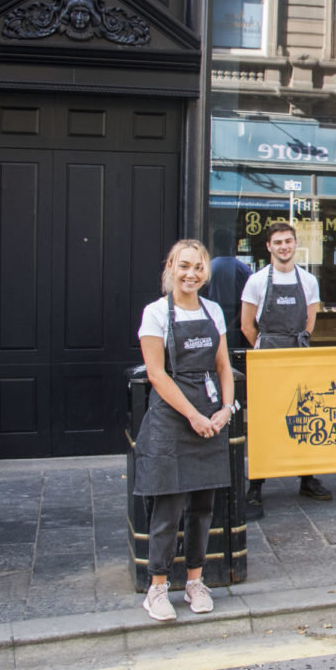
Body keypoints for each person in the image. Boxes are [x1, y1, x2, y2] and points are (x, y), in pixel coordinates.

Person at [133, 239, 235, 622]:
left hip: (210, 416)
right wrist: (193, 415)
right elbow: (157, 374)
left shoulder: (213, 310)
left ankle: (195, 581)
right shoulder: (155, 313)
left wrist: (225, 408)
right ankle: (157, 587)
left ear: (206, 272)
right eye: (184, 266)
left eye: (198, 267)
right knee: (168, 507)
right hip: (173, 418)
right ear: (171, 267)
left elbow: (224, 366)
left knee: (203, 507)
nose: (191, 274)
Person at [241, 221, 330, 514]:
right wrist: (267, 348)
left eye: (288, 241)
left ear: (295, 244)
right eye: (277, 242)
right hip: (267, 359)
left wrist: (294, 347)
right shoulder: (255, 281)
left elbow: (310, 323)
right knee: (264, 422)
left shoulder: (308, 281)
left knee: (304, 417)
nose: (283, 247)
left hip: (298, 356)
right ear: (269, 247)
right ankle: (256, 483)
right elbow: (246, 325)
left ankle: (307, 478)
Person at [202, 227, 252, 351]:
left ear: (214, 246)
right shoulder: (243, 269)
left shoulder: (209, 268)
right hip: (237, 320)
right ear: (232, 245)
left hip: (212, 319)